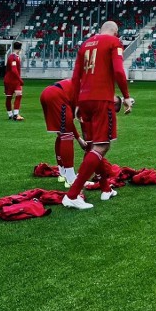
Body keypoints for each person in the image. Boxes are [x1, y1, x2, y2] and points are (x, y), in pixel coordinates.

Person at [62, 20, 134, 210]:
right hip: (102, 99)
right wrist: (126, 96)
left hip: (84, 100)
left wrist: (76, 102)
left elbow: (76, 76)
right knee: (102, 146)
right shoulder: (113, 42)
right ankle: (72, 194)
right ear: (115, 32)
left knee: (92, 145)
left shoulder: (85, 44)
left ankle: (106, 188)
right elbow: (119, 70)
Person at [39, 78, 87, 185]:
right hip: (57, 95)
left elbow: (70, 123)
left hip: (47, 92)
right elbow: (82, 119)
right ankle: (70, 179)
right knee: (66, 136)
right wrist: (83, 139)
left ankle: (62, 172)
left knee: (62, 133)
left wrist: (79, 138)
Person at [3, 41, 24, 121]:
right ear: (20, 49)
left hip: (12, 80)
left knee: (18, 95)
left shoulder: (15, 57)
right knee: (9, 97)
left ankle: (15, 114)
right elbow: (14, 70)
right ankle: (11, 115)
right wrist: (20, 79)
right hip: (11, 80)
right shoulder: (13, 57)